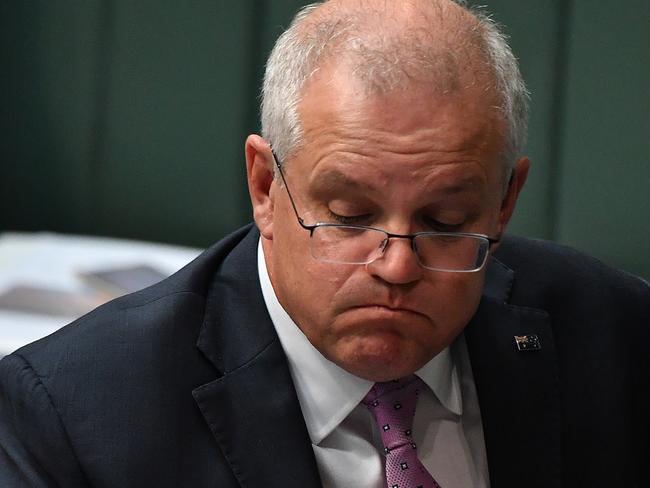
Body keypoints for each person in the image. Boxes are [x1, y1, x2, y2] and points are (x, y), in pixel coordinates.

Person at [1, 0, 648, 486]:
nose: (396, 264)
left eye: (447, 221)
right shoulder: (76, 419)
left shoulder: (618, 340)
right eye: (348, 215)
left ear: (505, 201)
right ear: (264, 185)